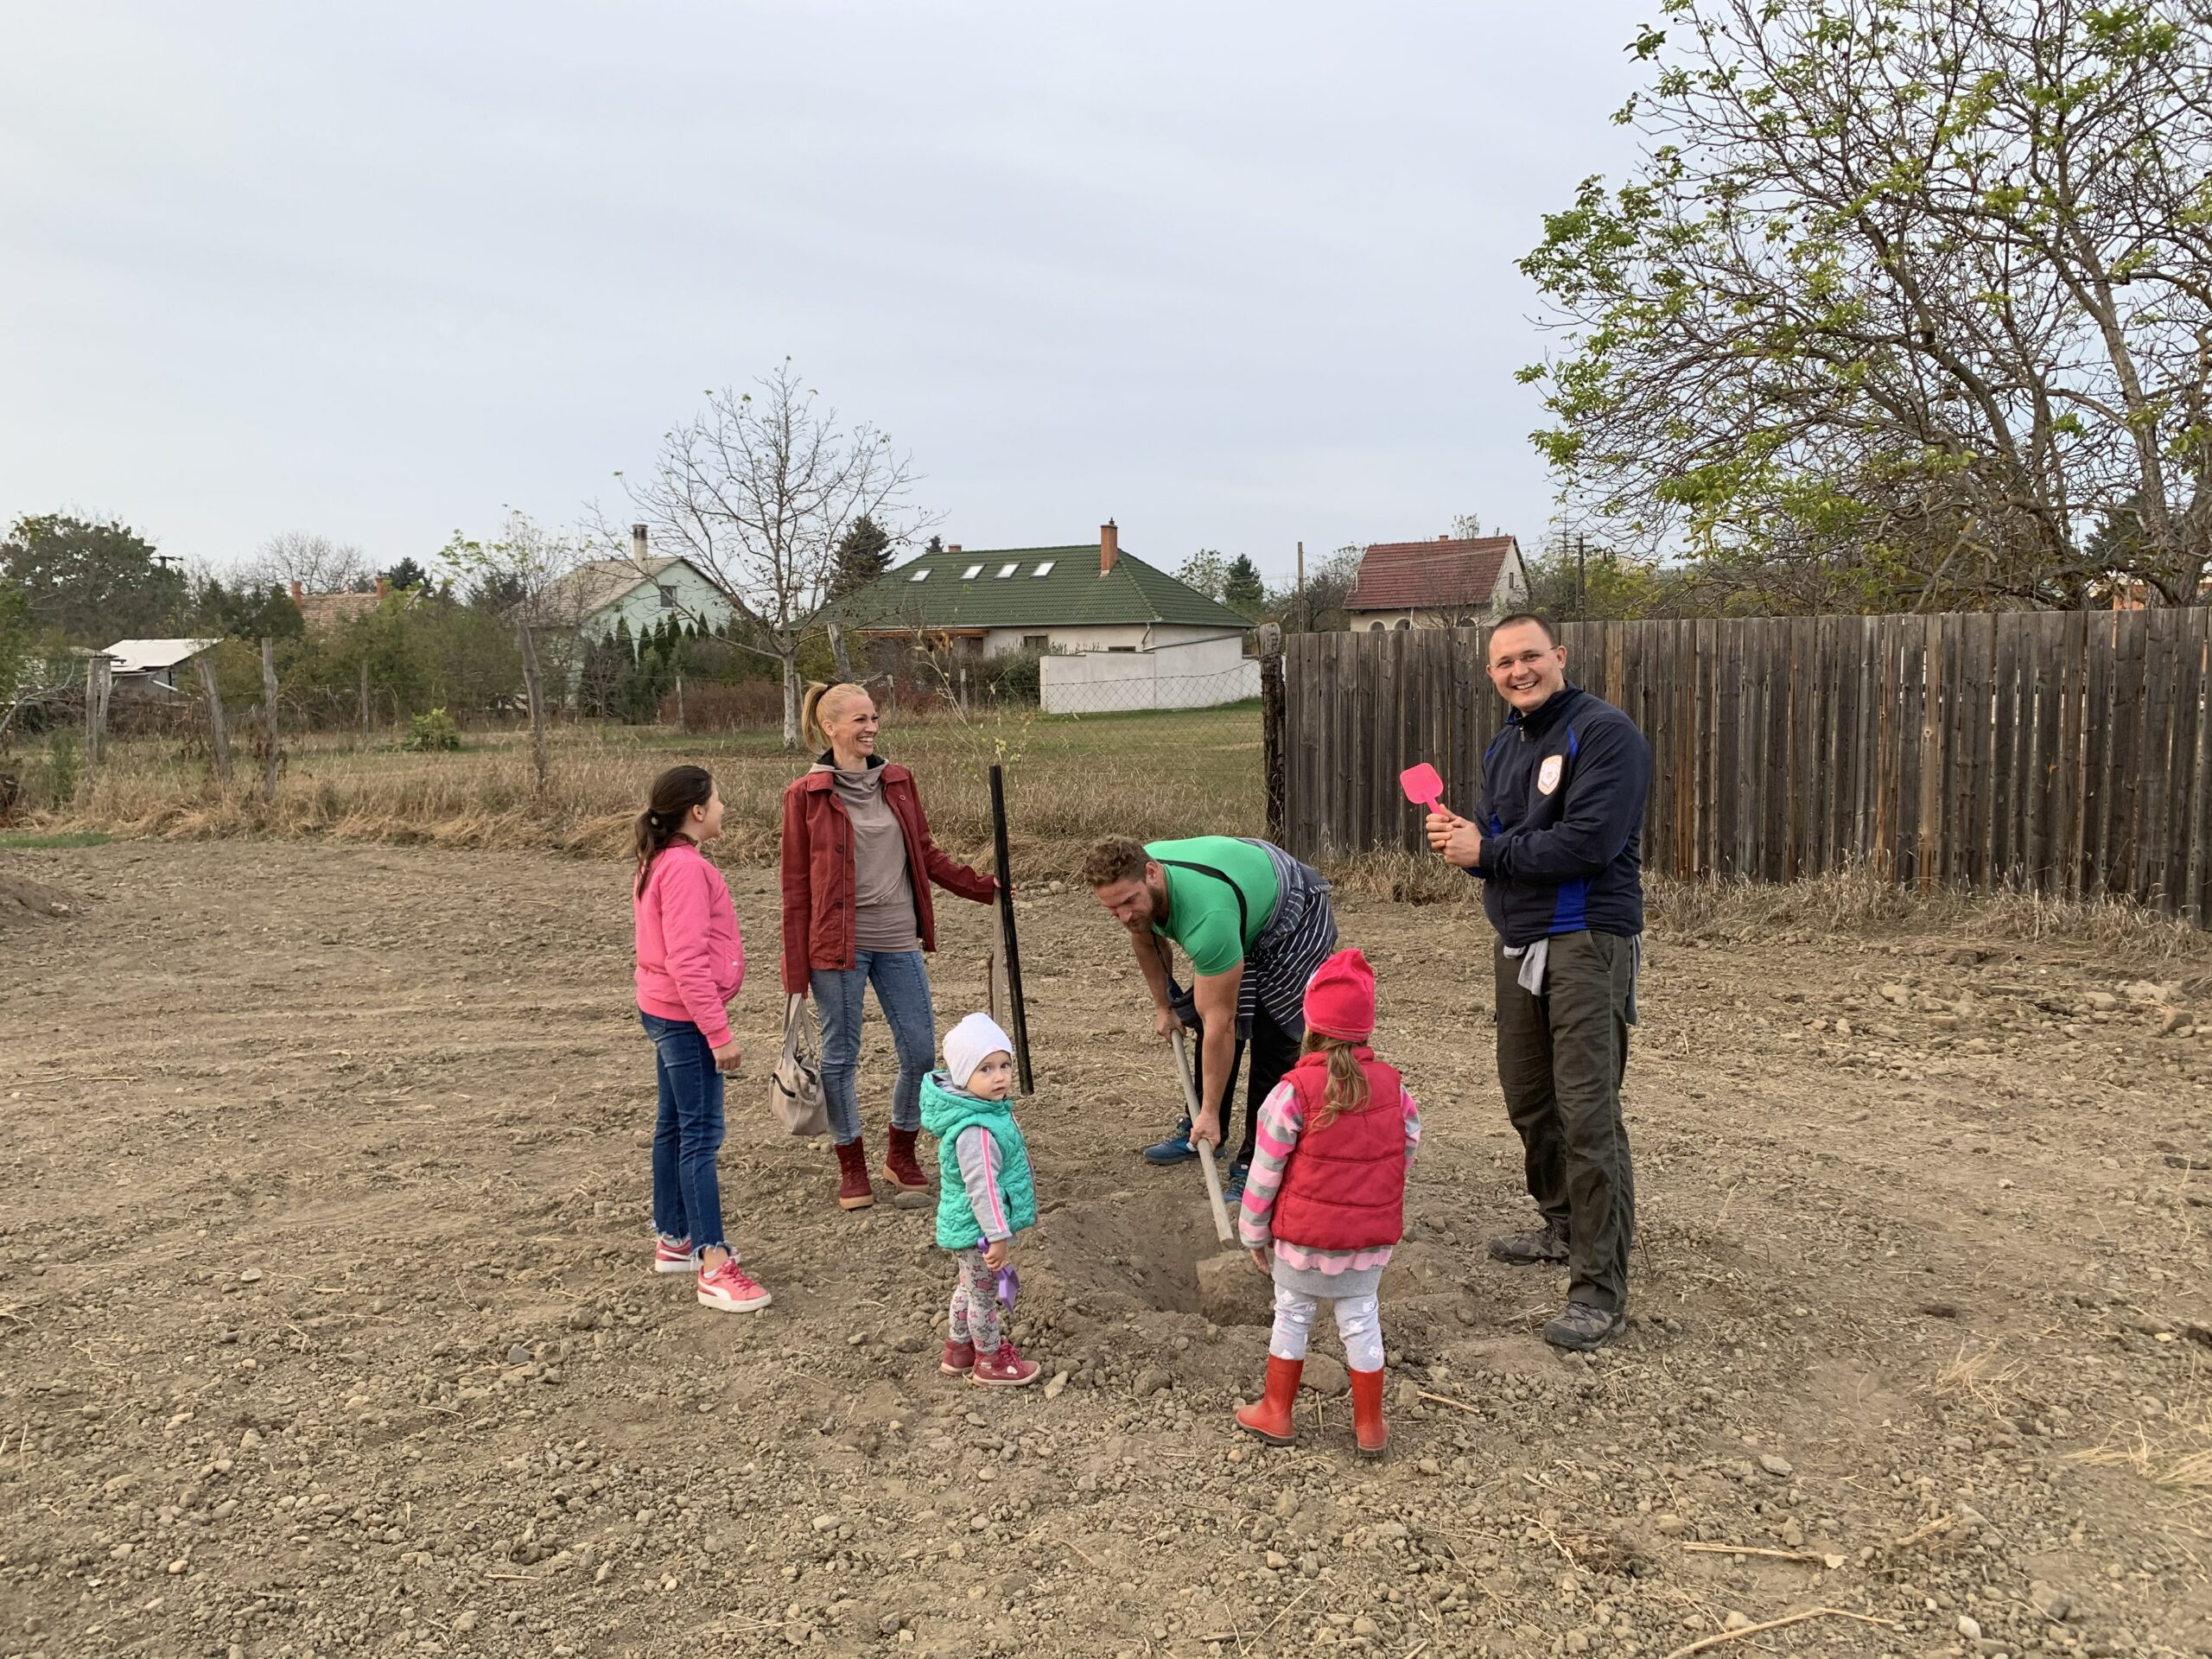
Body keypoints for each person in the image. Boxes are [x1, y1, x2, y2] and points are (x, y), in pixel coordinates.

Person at [1425, 613, 1649, 1352]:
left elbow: (1588, 843)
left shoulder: (1605, 732)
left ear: (1559, 656)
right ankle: (1560, 1224)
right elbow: (1501, 845)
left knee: (1588, 1113)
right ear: (1490, 675)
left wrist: (1488, 848)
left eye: (1530, 656)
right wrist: (1467, 843)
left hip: (1586, 938)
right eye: (1502, 663)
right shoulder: (1503, 747)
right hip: (1519, 940)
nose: (1518, 671)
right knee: (1529, 1099)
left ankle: (1598, 1288)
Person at [781, 682, 999, 1212]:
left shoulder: (897, 781)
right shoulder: (804, 796)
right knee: (840, 1057)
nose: (870, 727)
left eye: (874, 717)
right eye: (858, 720)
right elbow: (795, 889)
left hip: (898, 938)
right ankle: (851, 1164)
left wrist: (984, 887)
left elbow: (925, 853)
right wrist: (795, 978)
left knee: (921, 1052)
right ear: (830, 728)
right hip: (837, 947)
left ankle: (900, 1154)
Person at [1232, 949, 1419, 1457]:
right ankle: (1371, 1426)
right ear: (1365, 1028)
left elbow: (1265, 1170)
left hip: (1303, 1239)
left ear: (1310, 1025)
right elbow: (1406, 1149)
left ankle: (1276, 1411)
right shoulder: (1395, 1088)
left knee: (1291, 1315)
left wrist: (1253, 1232)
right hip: (1367, 1241)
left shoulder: (1293, 1092)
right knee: (1361, 1318)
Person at [1084, 834, 1336, 1197]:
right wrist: (1163, 1007)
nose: (1124, 915)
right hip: (1240, 897)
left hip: (1293, 915)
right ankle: (1205, 1130)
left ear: (1152, 873)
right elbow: (1145, 936)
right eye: (1112, 910)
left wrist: (1210, 1111)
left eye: (1128, 902)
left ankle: (1256, 1160)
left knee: (1272, 1033)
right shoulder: (1139, 885)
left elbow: (1222, 1023)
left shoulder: (1208, 919)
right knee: (1207, 1016)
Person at [633, 765, 772, 1314]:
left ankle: (676, 1238)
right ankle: (714, 1264)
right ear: (696, 812)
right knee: (701, 1135)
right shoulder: (686, 869)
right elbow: (686, 959)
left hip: (662, 1011)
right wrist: (718, 1033)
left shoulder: (659, 861)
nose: (723, 808)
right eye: (718, 800)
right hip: (688, 1022)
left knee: (673, 1125)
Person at [921, 1013, 1042, 1389]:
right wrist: (997, 1234)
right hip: (980, 1231)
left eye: (1004, 1065)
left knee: (968, 1287)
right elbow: (983, 1188)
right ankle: (989, 1359)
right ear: (962, 1076)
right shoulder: (976, 1130)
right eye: (986, 1069)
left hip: (970, 1228)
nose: (1000, 1076)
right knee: (985, 1296)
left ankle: (958, 1350)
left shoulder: (987, 1113)